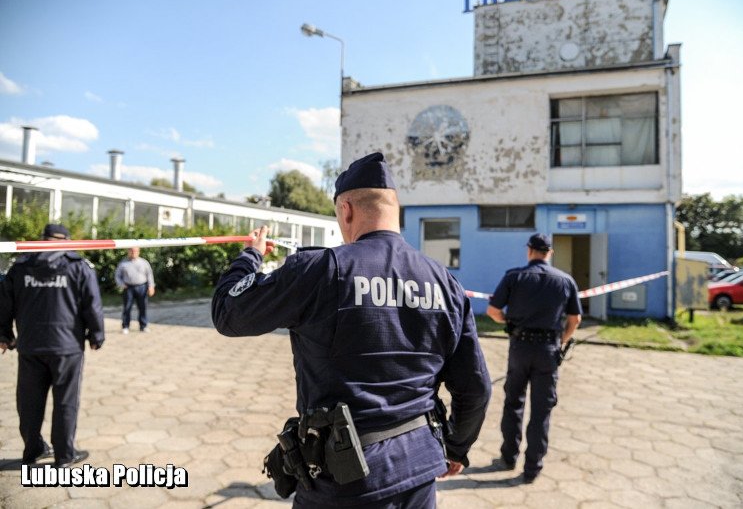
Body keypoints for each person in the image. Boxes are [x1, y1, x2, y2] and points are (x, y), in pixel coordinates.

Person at [212, 152, 492, 508]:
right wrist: (456, 448)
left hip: (344, 481)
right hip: (418, 472)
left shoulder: (322, 270)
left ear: (346, 209)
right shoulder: (446, 283)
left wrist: (249, 256)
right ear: (394, 210)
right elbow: (476, 388)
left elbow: (229, 313)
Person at [0, 223, 104, 467]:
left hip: (30, 346)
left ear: (42, 238)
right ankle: (64, 455)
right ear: (66, 240)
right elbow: (93, 304)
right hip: (66, 348)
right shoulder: (78, 266)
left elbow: (4, 304)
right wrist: (96, 335)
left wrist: (4, 335)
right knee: (65, 401)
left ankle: (33, 449)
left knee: (29, 401)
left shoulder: (20, 267)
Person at [486, 233, 582, 484]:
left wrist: (509, 323)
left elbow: (493, 311)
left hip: (519, 347)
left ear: (529, 251)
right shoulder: (565, 281)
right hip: (548, 351)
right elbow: (575, 320)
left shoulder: (514, 277)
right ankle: (532, 468)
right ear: (550, 253)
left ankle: (508, 456)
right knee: (541, 410)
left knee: (513, 403)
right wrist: (561, 342)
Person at [114, 247, 155, 334]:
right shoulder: (123, 263)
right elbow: (117, 275)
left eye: (135, 251)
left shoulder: (144, 262)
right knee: (127, 308)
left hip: (142, 287)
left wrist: (151, 286)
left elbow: (149, 275)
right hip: (128, 288)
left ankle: (143, 326)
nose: (133, 252)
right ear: (128, 252)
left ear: (139, 252)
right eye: (131, 251)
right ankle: (125, 326)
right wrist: (121, 284)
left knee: (142, 307)